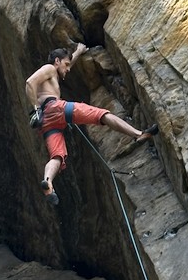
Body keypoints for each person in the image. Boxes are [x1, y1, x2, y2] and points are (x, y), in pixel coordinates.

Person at [25, 44, 158, 205]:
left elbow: (67, 65)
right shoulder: (49, 68)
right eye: (65, 65)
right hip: (54, 109)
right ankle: (138, 134)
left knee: (58, 156)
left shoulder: (54, 75)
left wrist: (79, 52)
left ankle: (48, 182)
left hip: (47, 123)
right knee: (102, 114)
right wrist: (35, 109)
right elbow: (29, 82)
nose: (67, 69)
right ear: (57, 61)